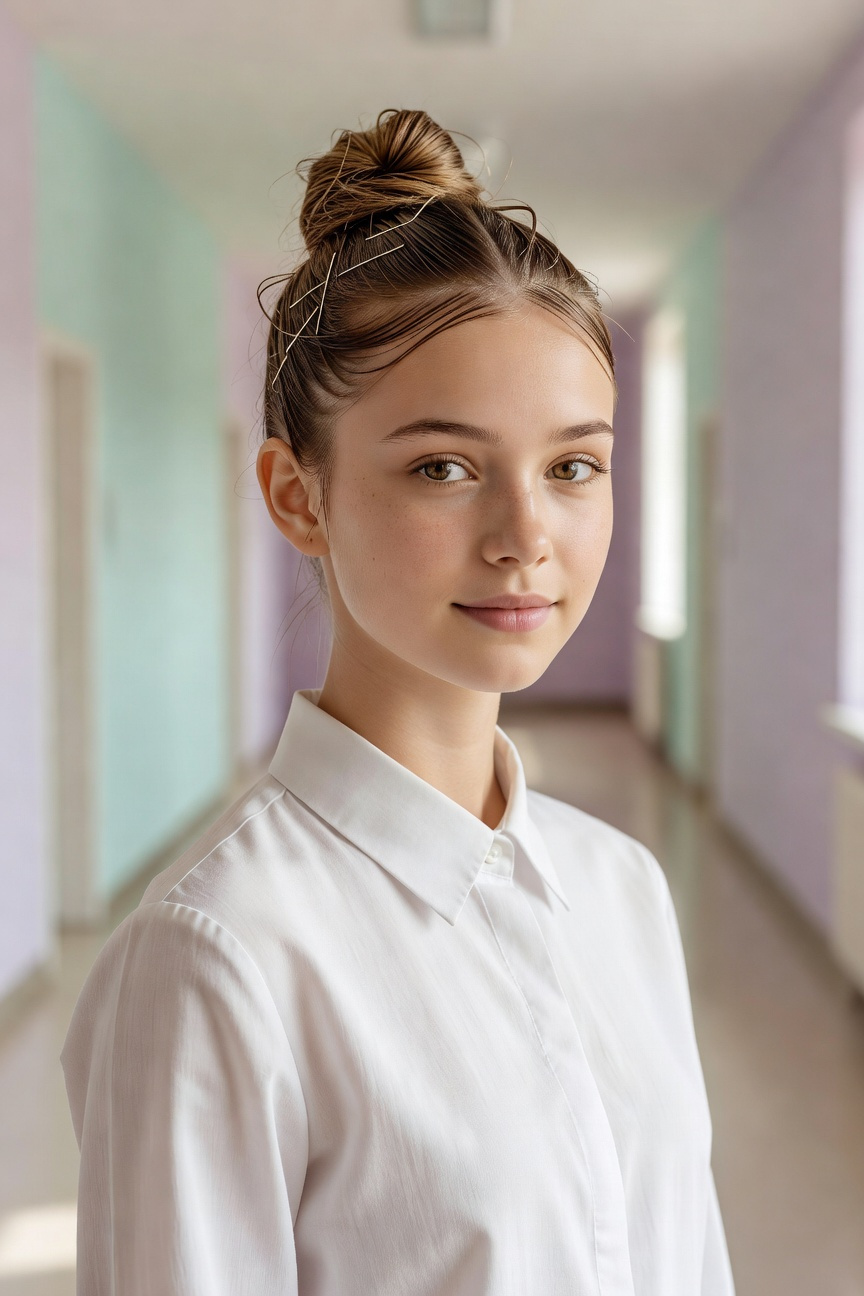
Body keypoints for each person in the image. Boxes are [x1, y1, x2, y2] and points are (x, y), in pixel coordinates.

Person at [61, 107, 735, 1295]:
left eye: (573, 465)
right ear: (296, 494)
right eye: (444, 467)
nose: (528, 537)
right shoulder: (220, 960)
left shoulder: (621, 889)